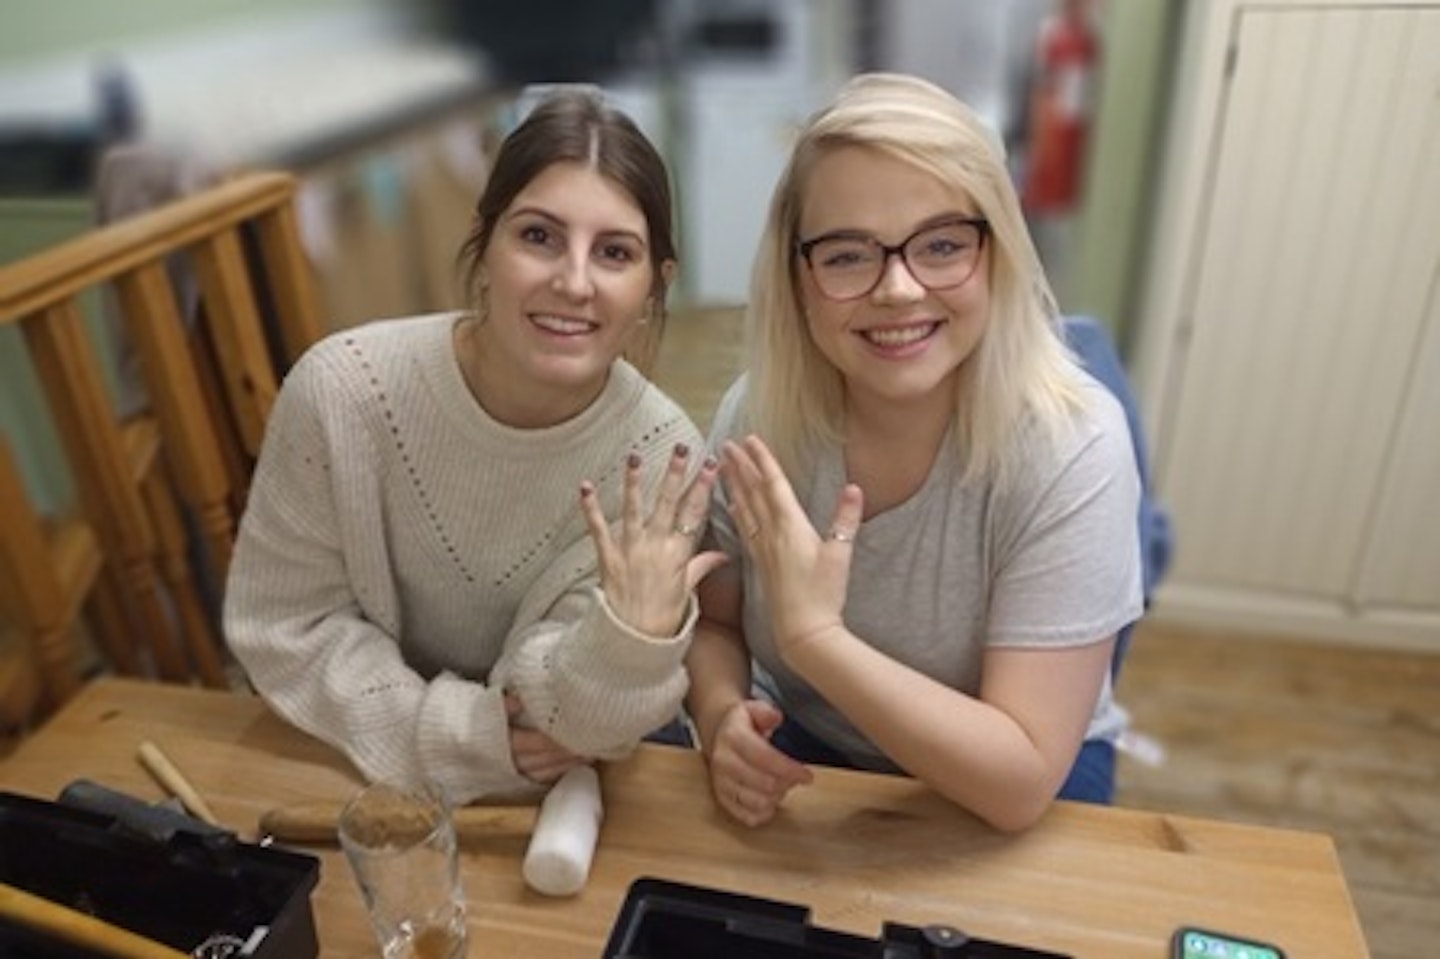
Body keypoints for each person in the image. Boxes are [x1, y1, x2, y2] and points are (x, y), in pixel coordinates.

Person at [225, 88, 725, 803]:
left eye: (615, 253)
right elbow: (286, 624)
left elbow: (573, 717)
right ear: (484, 246)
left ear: (654, 288)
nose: (573, 282)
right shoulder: (341, 390)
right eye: (538, 237)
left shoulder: (662, 457)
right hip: (355, 759)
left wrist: (632, 641)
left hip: (564, 787)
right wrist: (463, 737)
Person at [685, 73, 1142, 833]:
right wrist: (721, 714)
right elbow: (716, 625)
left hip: (1012, 777)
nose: (897, 289)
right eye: (846, 255)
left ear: (997, 252)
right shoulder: (759, 417)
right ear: (798, 279)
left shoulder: (1075, 445)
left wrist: (815, 640)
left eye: (941, 245)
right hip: (814, 747)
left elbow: (1021, 780)